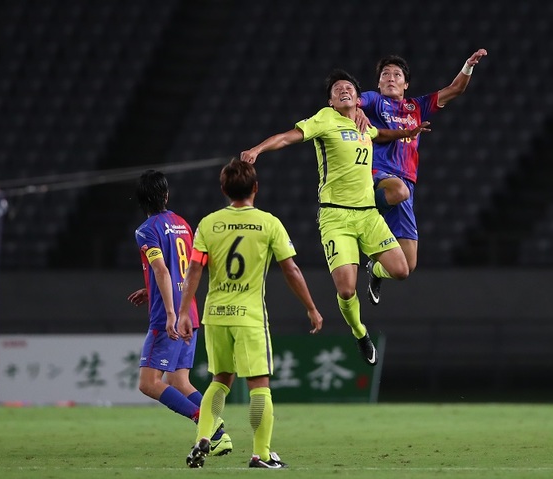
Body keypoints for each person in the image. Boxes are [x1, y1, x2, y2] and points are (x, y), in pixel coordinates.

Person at [240, 69, 427, 367]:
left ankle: (375, 270)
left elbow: (381, 135)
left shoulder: (364, 125)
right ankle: (360, 332)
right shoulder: (325, 119)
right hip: (336, 216)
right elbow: (287, 138)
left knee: (402, 270)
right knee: (346, 289)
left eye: (348, 87)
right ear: (330, 101)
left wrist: (406, 133)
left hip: (368, 215)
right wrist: (257, 149)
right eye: (337, 89)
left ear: (357, 97)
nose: (344, 90)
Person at [178, 159, 323, 469]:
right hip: (249, 316)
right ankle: (261, 454)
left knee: (219, 380)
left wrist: (183, 312)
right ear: (256, 187)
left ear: (223, 189)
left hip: (215, 313)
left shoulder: (208, 224)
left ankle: (203, 437)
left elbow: (194, 270)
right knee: (259, 385)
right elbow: (291, 269)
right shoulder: (268, 223)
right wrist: (311, 307)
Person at [359, 49, 487, 304]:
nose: (391, 78)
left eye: (397, 75)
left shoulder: (416, 107)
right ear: (379, 83)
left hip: (406, 182)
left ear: (406, 84)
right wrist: (357, 110)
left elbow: (455, 89)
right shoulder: (373, 100)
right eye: (385, 74)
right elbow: (352, 101)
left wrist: (468, 65)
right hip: (376, 173)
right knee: (398, 191)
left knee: (406, 266)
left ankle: (375, 269)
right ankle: (363, 213)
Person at [128, 169, 232, 456]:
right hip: (190, 311)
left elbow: (162, 269)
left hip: (169, 315)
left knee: (149, 384)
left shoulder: (145, 230)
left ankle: (207, 425)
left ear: (140, 200)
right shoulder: (182, 225)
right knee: (179, 381)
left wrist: (171, 313)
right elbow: (183, 268)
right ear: (166, 195)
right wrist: (152, 289)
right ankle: (219, 435)